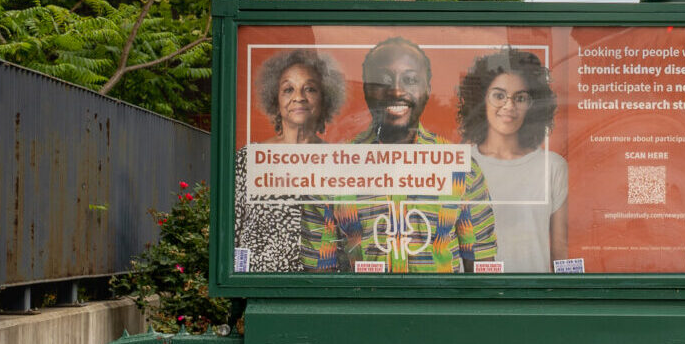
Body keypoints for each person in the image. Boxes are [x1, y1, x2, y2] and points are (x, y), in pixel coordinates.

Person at [300, 36, 497, 273]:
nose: (395, 89)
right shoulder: (331, 169)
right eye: (382, 80)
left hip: (438, 308)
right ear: (366, 89)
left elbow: (481, 265)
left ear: (427, 89)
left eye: (411, 79)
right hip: (363, 308)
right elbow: (318, 272)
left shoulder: (460, 167)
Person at [455, 48, 568, 272]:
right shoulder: (459, 164)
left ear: (532, 105)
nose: (509, 106)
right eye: (499, 95)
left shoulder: (553, 166)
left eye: (520, 98)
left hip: (536, 301)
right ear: (481, 100)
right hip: (475, 300)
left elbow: (560, 252)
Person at [235, 48, 345, 272]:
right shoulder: (251, 158)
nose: (299, 97)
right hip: (260, 287)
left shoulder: (338, 161)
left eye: (310, 89)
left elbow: (349, 234)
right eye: (288, 89)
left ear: (324, 99)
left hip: (320, 288)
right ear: (275, 99)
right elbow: (233, 230)